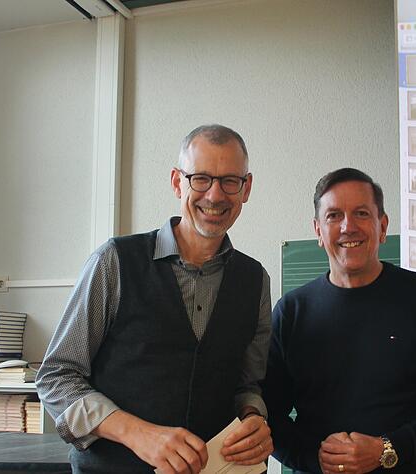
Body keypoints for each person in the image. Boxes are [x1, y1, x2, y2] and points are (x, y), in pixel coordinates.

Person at [36, 124, 273, 474]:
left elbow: (246, 384)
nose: (215, 195)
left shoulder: (256, 280)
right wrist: (136, 433)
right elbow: (56, 377)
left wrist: (254, 417)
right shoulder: (114, 261)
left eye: (229, 181)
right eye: (201, 178)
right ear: (178, 182)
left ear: (246, 188)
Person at [264, 168, 416, 474]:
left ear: (382, 226)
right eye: (333, 216)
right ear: (318, 230)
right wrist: (316, 460)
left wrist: (387, 448)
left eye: (361, 213)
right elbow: (268, 416)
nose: (347, 226)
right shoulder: (292, 311)